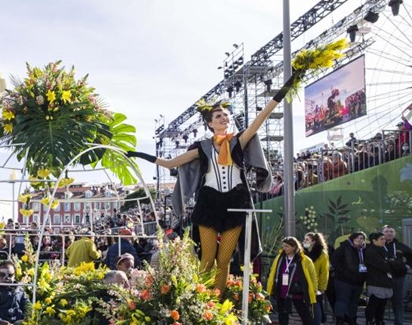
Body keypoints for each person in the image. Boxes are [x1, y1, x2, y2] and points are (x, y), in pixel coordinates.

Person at [126, 69, 297, 292]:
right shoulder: (202, 148)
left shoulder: (238, 141)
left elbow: (261, 118)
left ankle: (216, 302)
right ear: (209, 123)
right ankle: (203, 298)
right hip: (208, 203)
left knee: (225, 260)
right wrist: (139, 154)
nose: (224, 118)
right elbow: (169, 163)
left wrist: (286, 86)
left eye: (225, 114)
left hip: (236, 202)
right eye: (218, 116)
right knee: (207, 258)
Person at [266, 237, 318, 325]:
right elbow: (273, 272)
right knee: (282, 314)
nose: (284, 248)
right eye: (283, 246)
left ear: (294, 247)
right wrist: (271, 288)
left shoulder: (304, 259)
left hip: (298, 292)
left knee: (304, 314)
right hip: (282, 290)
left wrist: (313, 290)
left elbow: (312, 276)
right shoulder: (279, 258)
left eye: (287, 246)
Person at [382, 225, 412, 325]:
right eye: (387, 231)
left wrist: (407, 266)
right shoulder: (378, 246)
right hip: (382, 278)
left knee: (398, 301)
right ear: (382, 233)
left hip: (398, 277)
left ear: (394, 233)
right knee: (380, 301)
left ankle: (399, 324)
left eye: (391, 231)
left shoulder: (400, 246)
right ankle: (379, 323)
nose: (389, 233)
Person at [330, 231, 367, 325]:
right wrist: (343, 273)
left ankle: (352, 320)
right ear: (352, 239)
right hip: (344, 280)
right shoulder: (343, 249)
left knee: (354, 302)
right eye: (358, 238)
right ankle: (340, 321)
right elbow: (335, 262)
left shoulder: (364, 250)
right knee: (342, 301)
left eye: (362, 239)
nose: (360, 240)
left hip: (358, 281)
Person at [363, 232, 394, 325]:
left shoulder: (384, 250)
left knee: (382, 305)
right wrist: (391, 265)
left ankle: (380, 324)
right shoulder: (370, 252)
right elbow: (384, 265)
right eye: (381, 239)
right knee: (373, 305)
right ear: (374, 240)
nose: (384, 240)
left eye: (384, 239)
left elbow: (391, 263)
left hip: (385, 281)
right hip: (375, 281)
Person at [302, 232, 330, 325]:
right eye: (304, 239)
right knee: (305, 306)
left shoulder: (322, 254)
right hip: (304, 282)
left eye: (307, 240)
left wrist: (322, 287)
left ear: (314, 242)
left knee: (316, 305)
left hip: (316, 284)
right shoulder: (302, 252)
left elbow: (324, 271)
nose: (304, 241)